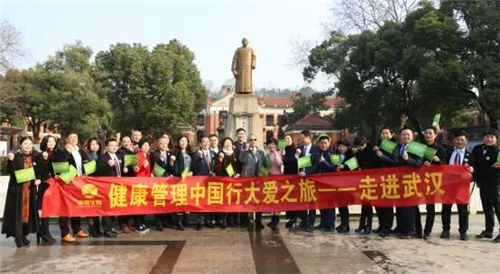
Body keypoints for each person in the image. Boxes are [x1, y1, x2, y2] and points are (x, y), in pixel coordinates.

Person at [1, 136, 43, 248]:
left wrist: (38, 179)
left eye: (30, 143)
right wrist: (10, 161)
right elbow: (10, 171)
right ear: (20, 145)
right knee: (17, 213)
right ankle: (18, 236)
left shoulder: (35, 156)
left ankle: (24, 234)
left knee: (29, 214)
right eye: (25, 143)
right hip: (18, 190)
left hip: (30, 190)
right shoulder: (16, 156)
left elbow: (39, 171)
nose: (28, 145)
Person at [56, 132, 89, 243]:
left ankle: (77, 229)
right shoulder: (61, 151)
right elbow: (59, 167)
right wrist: (68, 152)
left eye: (75, 137)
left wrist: (86, 172)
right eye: (71, 137)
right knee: (65, 207)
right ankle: (65, 233)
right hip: (67, 182)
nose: (73, 139)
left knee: (77, 206)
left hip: (79, 183)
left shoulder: (80, 150)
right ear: (67, 139)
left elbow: (88, 162)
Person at [440, 131, 474, 241]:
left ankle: (463, 232)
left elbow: (475, 172)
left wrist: (471, 172)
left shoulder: (471, 155)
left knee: (463, 209)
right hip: (448, 184)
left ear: (466, 142)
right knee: (446, 208)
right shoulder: (448, 152)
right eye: (457, 139)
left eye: (462, 140)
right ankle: (446, 230)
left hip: (462, 186)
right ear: (453, 141)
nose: (459, 142)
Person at [300, 134, 337, 232]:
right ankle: (323, 222)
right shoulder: (316, 154)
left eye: (325, 143)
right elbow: (313, 167)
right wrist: (305, 172)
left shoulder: (333, 154)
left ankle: (330, 224)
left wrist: (324, 162)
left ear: (329, 143)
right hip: (318, 183)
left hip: (329, 184)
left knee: (329, 205)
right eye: (321, 143)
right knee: (321, 204)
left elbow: (335, 169)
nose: (323, 145)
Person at [416, 126, 448, 239]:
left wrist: (438, 161)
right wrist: (421, 164)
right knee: (415, 204)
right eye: (426, 133)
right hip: (418, 180)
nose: (428, 135)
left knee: (430, 207)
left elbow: (446, 165)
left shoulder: (441, 149)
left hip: (432, 182)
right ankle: (417, 229)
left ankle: (427, 231)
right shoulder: (419, 147)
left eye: (430, 133)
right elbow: (414, 161)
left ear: (435, 135)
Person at [471, 129, 500, 242]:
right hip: (482, 182)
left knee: (497, 206)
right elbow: (472, 162)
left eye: (492, 137)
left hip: (494, 182)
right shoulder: (477, 149)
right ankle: (488, 230)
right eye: (487, 137)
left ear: (496, 139)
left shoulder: (498, 152)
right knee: (486, 207)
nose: (489, 139)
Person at [238, 134, 269, 230]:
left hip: (258, 180)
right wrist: (245, 150)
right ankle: (245, 220)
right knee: (246, 200)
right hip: (247, 179)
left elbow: (265, 165)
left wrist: (263, 175)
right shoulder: (245, 152)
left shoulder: (261, 152)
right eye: (251, 140)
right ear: (248, 141)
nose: (253, 141)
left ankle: (258, 221)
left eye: (255, 139)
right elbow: (241, 160)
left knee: (258, 201)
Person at [373, 126, 399, 237]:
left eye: (386, 133)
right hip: (377, 179)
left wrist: (382, 156)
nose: (384, 135)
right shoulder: (377, 146)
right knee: (378, 204)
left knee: (387, 205)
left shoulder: (394, 147)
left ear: (391, 135)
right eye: (382, 133)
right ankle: (381, 225)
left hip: (389, 179)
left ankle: (387, 227)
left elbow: (395, 162)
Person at [36, 135, 58, 244]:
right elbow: (38, 171)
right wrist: (44, 160)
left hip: (54, 185)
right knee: (44, 208)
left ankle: (44, 231)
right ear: (44, 143)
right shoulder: (41, 155)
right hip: (44, 185)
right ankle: (44, 231)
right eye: (49, 141)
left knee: (49, 209)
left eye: (53, 141)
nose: (51, 143)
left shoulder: (57, 154)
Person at [334, 139, 354, 233]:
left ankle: (346, 225)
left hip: (347, 183)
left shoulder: (351, 156)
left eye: (344, 147)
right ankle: (342, 223)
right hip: (337, 183)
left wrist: (344, 167)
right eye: (340, 146)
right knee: (340, 204)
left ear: (347, 147)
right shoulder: (335, 156)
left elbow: (354, 168)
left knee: (344, 204)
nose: (342, 148)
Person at [282, 134, 300, 229]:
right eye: (285, 139)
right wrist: (282, 155)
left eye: (288, 138)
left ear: (292, 140)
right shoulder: (284, 151)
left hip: (294, 175)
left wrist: (295, 156)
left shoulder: (295, 150)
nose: (287, 140)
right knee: (287, 196)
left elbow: (293, 162)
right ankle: (289, 217)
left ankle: (294, 217)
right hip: (286, 176)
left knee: (293, 197)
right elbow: (284, 163)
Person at [266, 138, 283, 231]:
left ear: (276, 145)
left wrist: (276, 153)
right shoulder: (267, 155)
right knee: (271, 198)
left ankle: (276, 218)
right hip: (269, 178)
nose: (271, 146)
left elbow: (279, 163)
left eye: (273, 144)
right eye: (270, 144)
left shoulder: (279, 153)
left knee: (276, 199)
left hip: (277, 178)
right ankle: (272, 218)